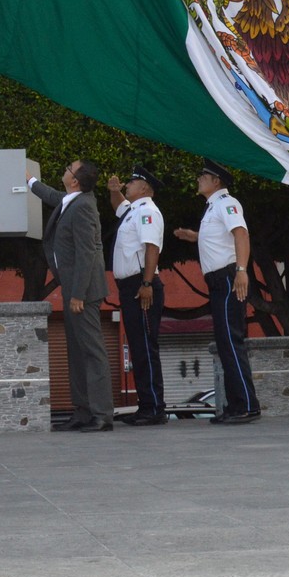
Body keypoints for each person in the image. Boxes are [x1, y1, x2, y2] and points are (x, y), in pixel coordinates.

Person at [174, 159, 260, 425]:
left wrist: (242, 270)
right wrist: (194, 236)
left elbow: (241, 234)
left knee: (231, 341)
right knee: (225, 343)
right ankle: (236, 405)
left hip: (227, 278)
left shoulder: (227, 203)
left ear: (216, 181)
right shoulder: (213, 207)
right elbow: (219, 238)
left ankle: (247, 405)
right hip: (218, 280)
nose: (199, 179)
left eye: (204, 175)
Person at [31, 160, 113, 433]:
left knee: (92, 352)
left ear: (75, 180)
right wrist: (30, 181)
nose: (64, 170)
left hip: (83, 292)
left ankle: (102, 415)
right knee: (77, 353)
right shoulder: (72, 200)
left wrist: (78, 294)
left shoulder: (83, 207)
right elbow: (53, 196)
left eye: (68, 168)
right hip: (73, 289)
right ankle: (83, 411)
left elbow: (86, 253)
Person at [107, 165, 166, 426]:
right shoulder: (133, 210)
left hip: (141, 285)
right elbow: (118, 206)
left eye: (132, 182)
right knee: (138, 347)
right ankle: (147, 405)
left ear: (144, 188)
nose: (127, 185)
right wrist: (114, 191)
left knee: (145, 348)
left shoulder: (147, 211)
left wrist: (147, 282)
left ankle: (154, 408)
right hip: (131, 286)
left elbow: (151, 247)